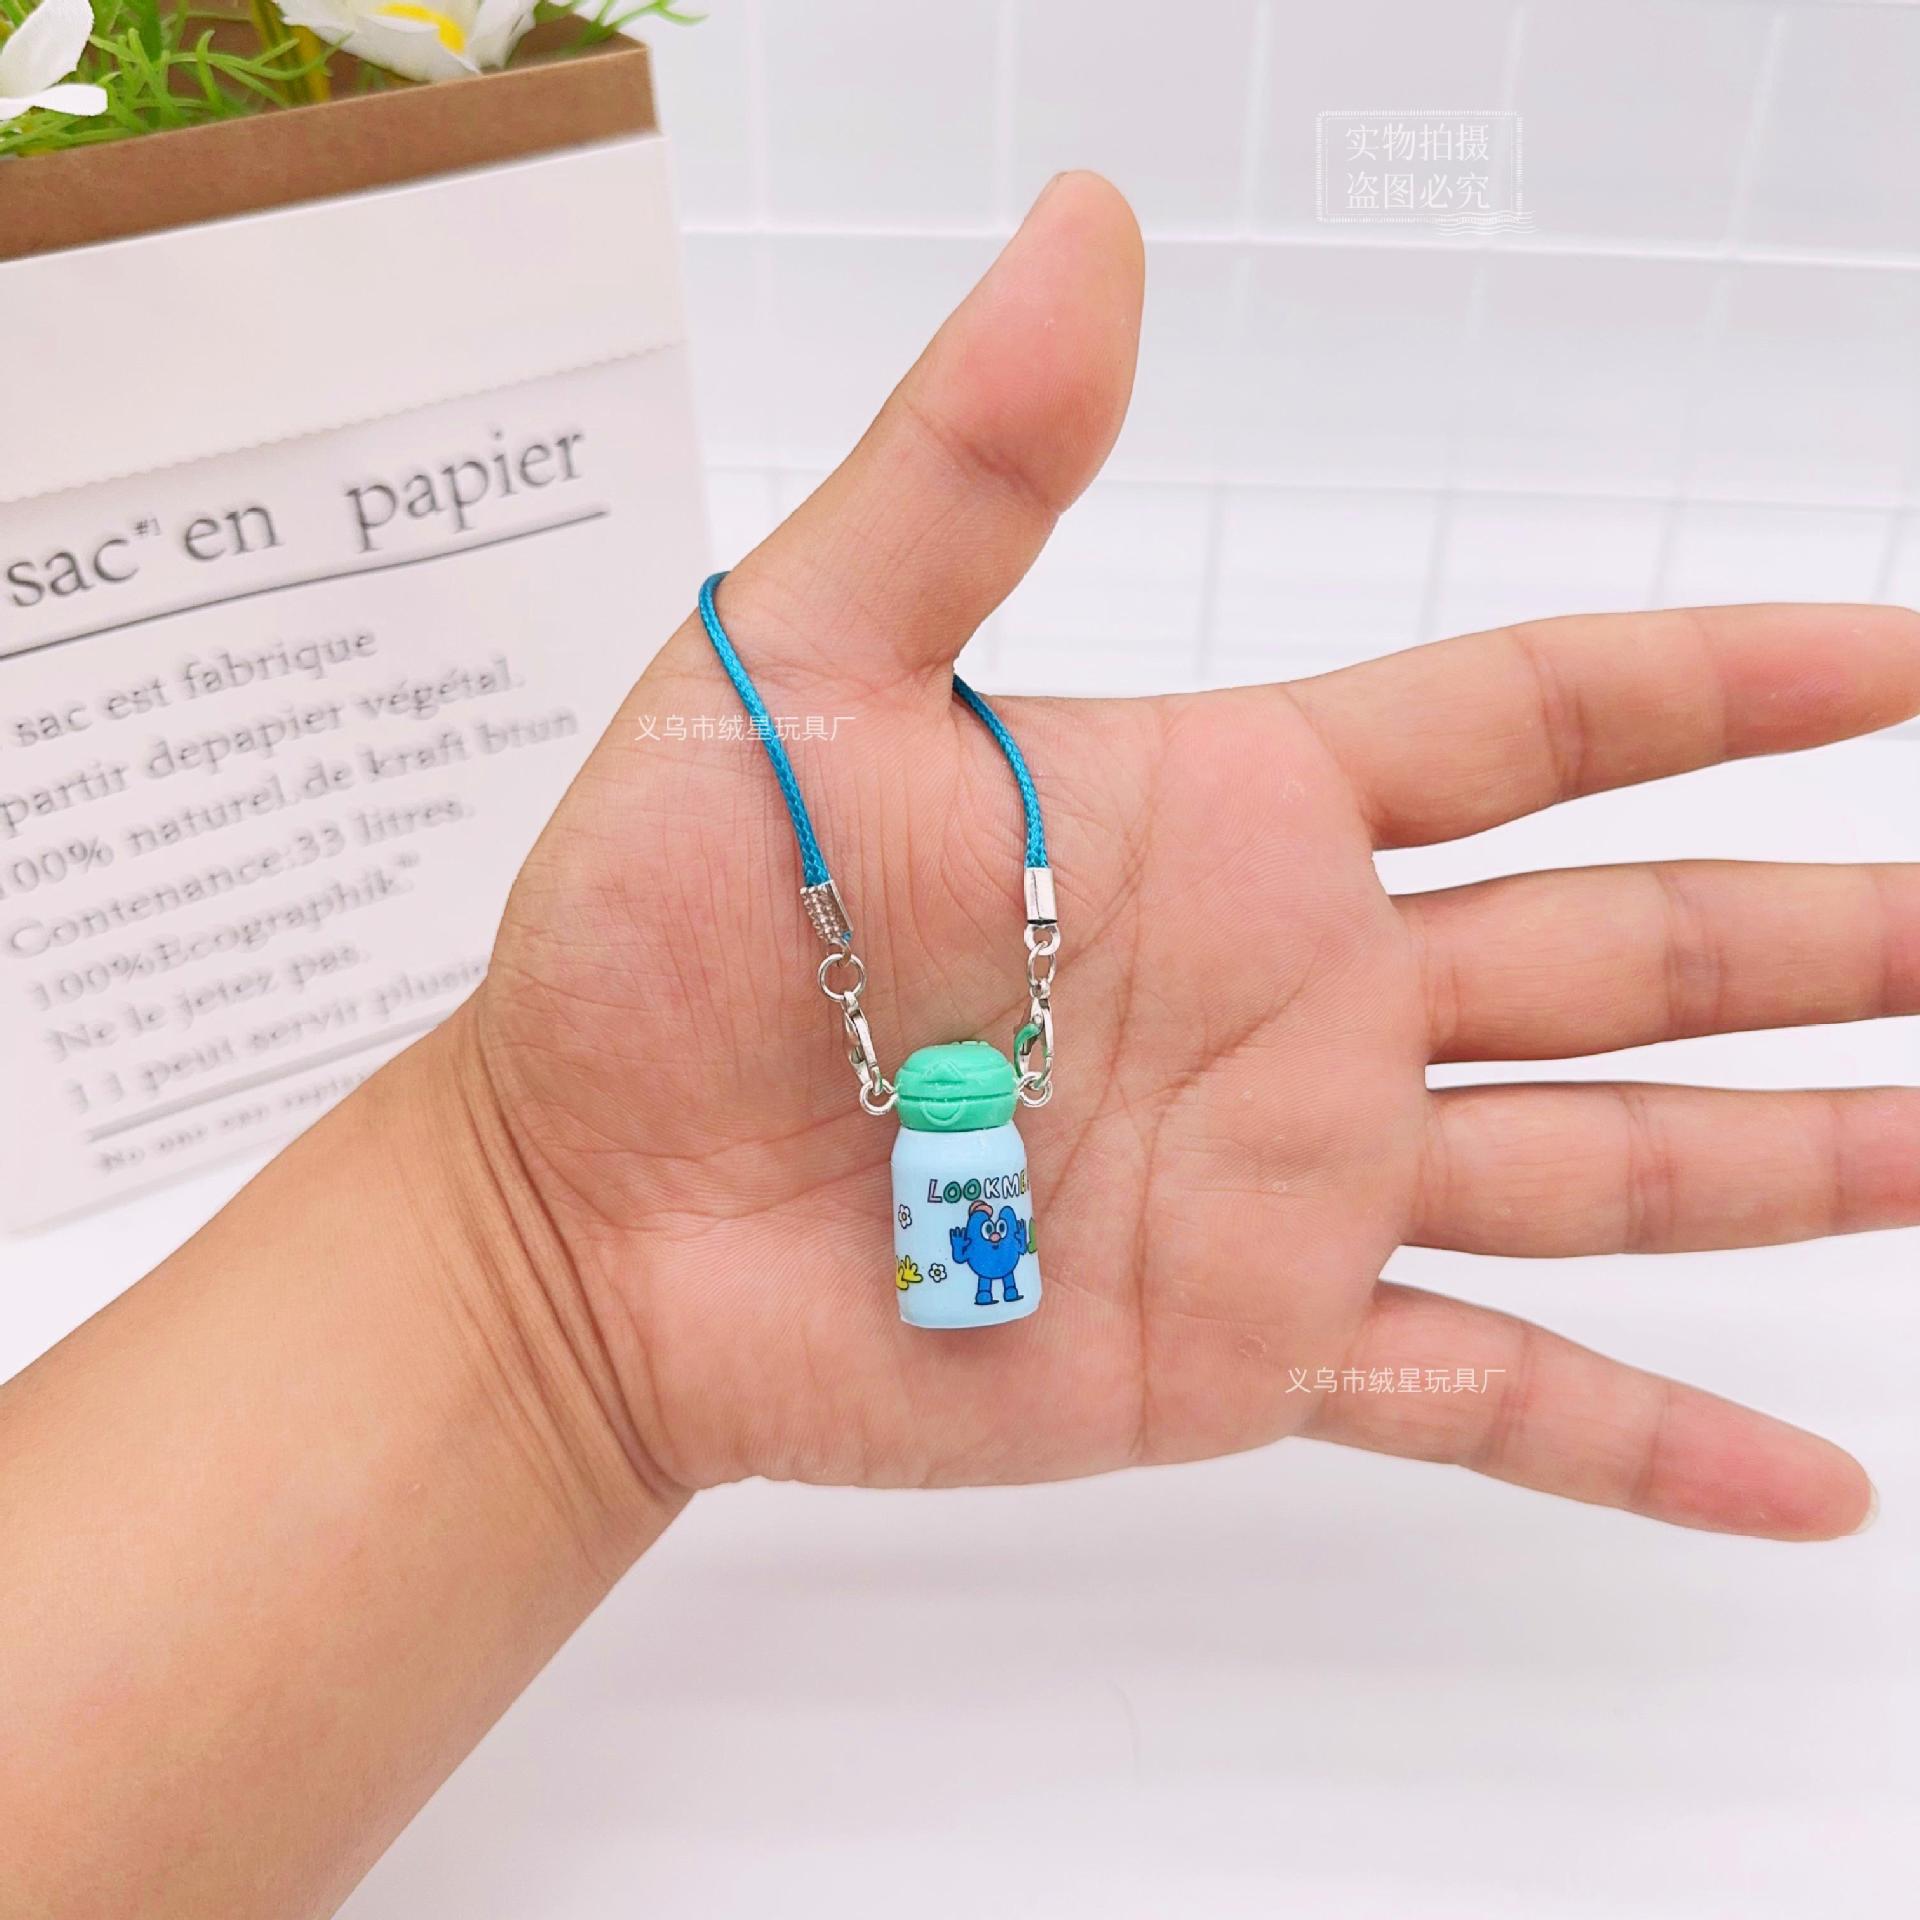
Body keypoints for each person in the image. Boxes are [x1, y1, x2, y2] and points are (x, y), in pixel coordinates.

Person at [0, 174, 1910, 1918]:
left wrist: (535, 1270)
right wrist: (546, 1237)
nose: (963, 1103)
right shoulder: (949, 1113)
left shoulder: (954, 1115)